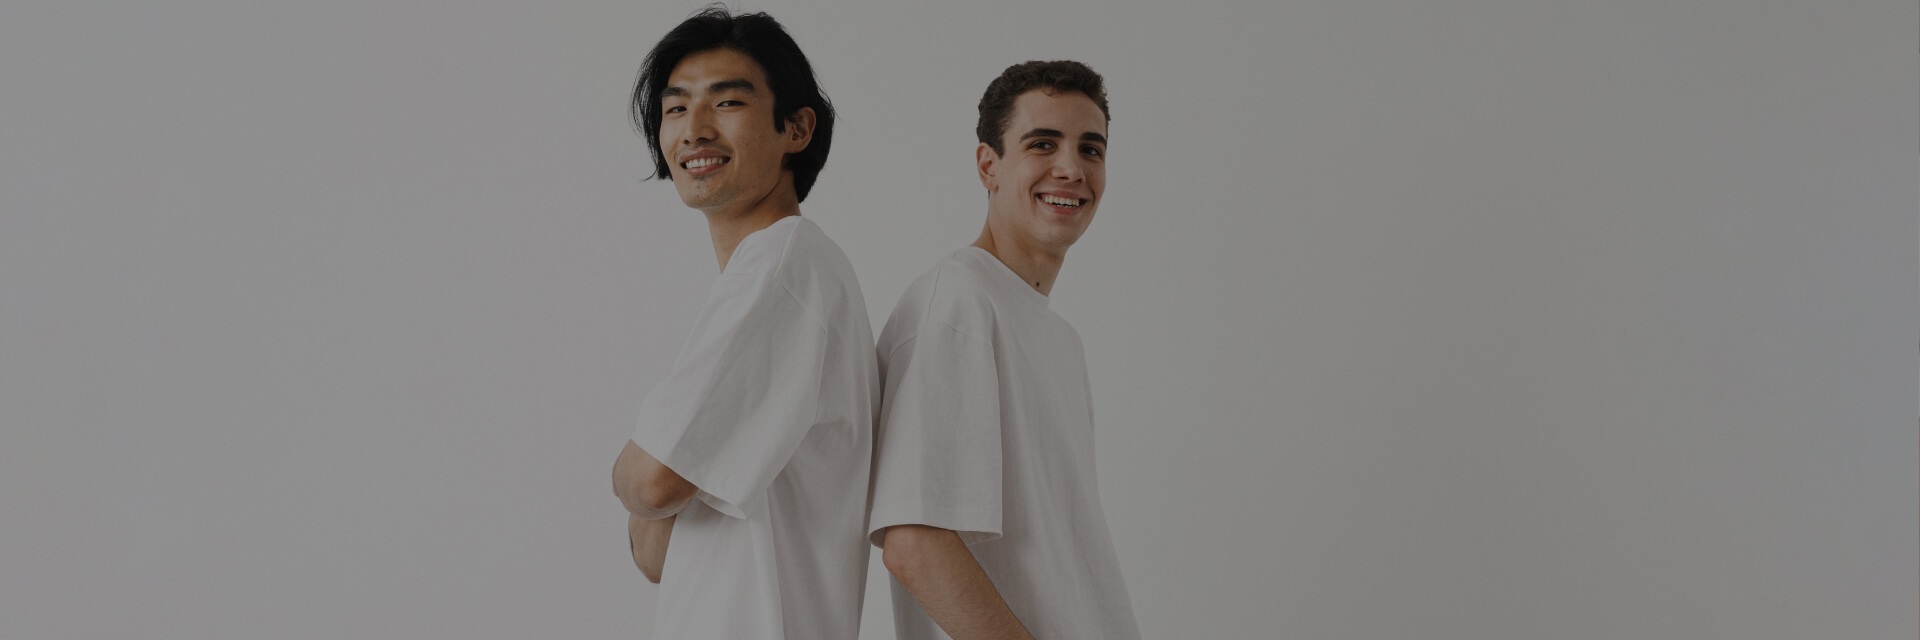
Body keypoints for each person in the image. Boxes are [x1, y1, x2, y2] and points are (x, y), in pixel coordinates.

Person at [610, 7, 875, 639]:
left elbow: (650, 482)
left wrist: (631, 468)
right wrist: (654, 472)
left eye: (727, 103)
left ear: (797, 128)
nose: (694, 130)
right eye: (675, 109)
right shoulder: (762, 281)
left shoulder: (784, 267)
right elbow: (655, 558)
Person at [868, 60, 1141, 640]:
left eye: (1091, 150)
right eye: (1043, 144)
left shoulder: (1059, 338)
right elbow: (914, 540)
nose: (1071, 168)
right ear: (988, 165)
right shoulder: (959, 302)